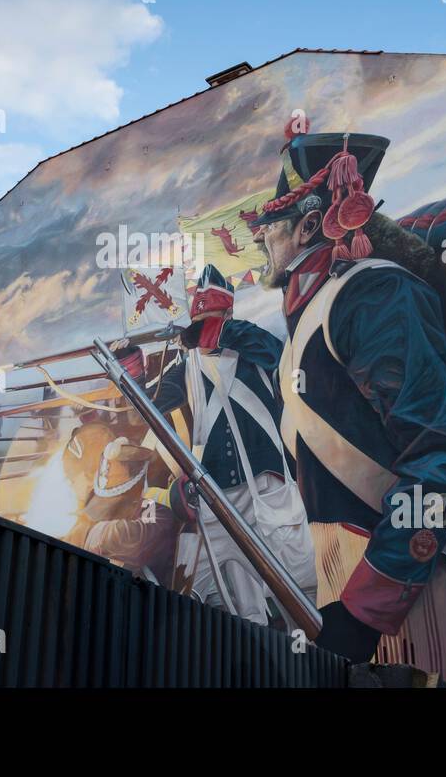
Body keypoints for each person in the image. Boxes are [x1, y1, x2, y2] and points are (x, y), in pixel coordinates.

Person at [245, 131, 446, 683]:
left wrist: (365, 610)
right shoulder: (306, 318)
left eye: (271, 223)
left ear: (309, 226)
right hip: (345, 578)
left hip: (409, 580)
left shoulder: (372, 295)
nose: (260, 236)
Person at [124, 263, 316, 627]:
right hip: (220, 496)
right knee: (243, 607)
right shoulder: (185, 367)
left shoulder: (254, 345)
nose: (206, 329)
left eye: (214, 319)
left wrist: (222, 331)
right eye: (203, 321)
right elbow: (144, 410)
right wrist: (131, 371)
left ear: (228, 314)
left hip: (268, 485)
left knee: (299, 585)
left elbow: (280, 357)